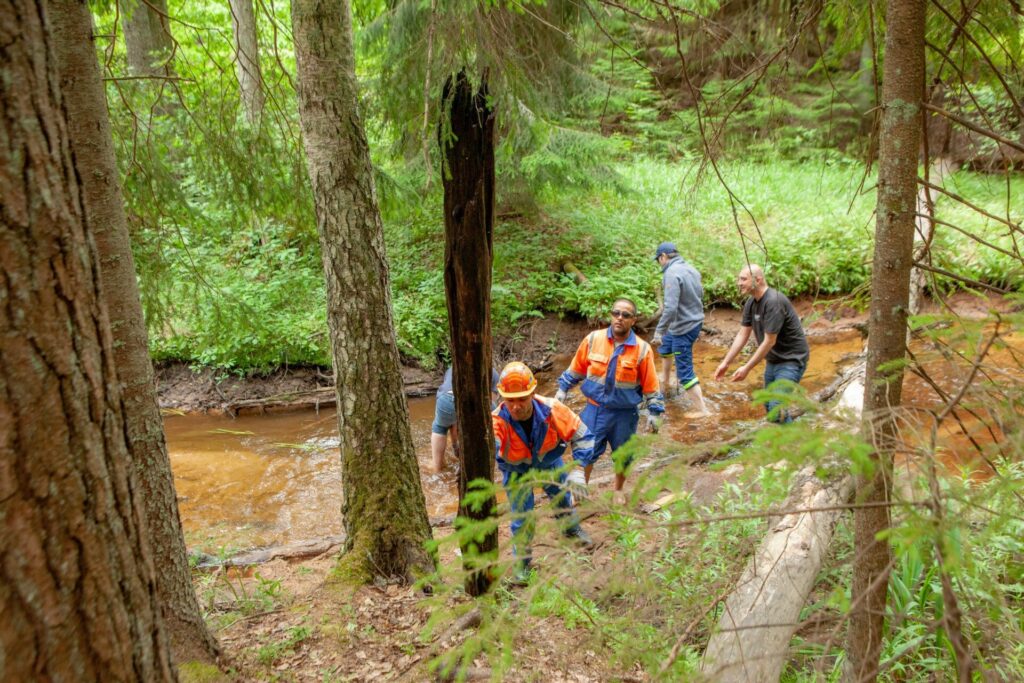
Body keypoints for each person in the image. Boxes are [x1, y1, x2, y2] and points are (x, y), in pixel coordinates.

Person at [492, 361, 595, 583]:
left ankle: (570, 530)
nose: (516, 406)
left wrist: (578, 469)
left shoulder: (552, 409)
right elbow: (488, 449)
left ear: (532, 393)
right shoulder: (496, 421)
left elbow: (583, 436)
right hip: (516, 471)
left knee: (562, 500)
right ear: (502, 398)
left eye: (522, 399)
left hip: (549, 463)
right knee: (522, 517)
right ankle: (523, 563)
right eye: (510, 400)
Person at [555, 298, 665, 504]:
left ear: (633, 320)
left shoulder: (642, 349)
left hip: (625, 413)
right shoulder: (593, 339)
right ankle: (581, 491)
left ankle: (618, 490)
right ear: (611, 315)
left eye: (626, 315)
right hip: (594, 409)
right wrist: (563, 388)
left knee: (624, 454)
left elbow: (651, 384)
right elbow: (576, 368)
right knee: (585, 449)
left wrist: (655, 412)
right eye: (616, 313)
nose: (619, 318)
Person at [713, 264, 809, 423]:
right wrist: (725, 363)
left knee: (777, 407)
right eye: (739, 279)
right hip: (774, 361)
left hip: (792, 360)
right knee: (768, 406)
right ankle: (782, 442)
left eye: (743, 279)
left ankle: (795, 444)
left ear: (758, 280)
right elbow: (743, 334)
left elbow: (769, 341)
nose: (739, 283)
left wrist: (746, 368)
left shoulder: (774, 302)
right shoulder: (751, 303)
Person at [652, 242, 711, 417]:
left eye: (658, 260)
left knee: (684, 371)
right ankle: (666, 379)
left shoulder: (671, 273)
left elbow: (670, 308)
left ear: (663, 256)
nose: (659, 263)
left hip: (684, 327)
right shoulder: (691, 269)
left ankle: (703, 411)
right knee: (665, 346)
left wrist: (658, 331)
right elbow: (700, 295)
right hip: (694, 321)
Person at [431, 366, 500, 472]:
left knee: (440, 427)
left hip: (446, 399)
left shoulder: (452, 367)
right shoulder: (493, 373)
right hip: (474, 403)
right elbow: (489, 401)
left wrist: (455, 445)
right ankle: (495, 463)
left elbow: (453, 421)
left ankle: (437, 468)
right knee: (494, 420)